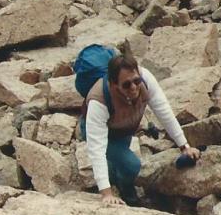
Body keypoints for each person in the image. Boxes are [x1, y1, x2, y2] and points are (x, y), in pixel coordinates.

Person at [81, 52, 201, 206]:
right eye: (126, 84)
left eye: (136, 81)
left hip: (124, 129)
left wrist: (185, 147)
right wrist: (106, 194)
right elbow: (96, 148)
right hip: (103, 131)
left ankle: (116, 182)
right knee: (131, 165)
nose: (133, 87)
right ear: (113, 84)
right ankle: (128, 196)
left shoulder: (146, 80)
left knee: (118, 164)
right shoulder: (99, 101)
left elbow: (164, 112)